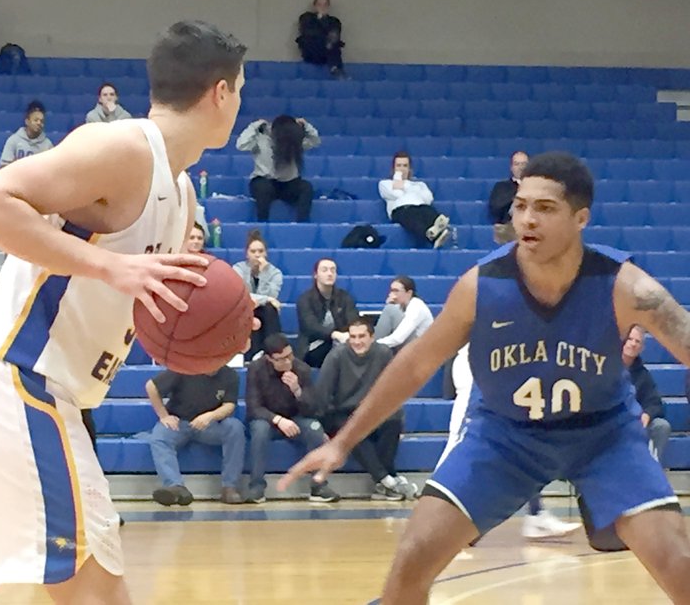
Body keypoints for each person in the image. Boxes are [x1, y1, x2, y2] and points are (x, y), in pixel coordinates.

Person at [0, 20, 247, 605]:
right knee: (96, 589)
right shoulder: (124, 148)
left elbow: (149, 310)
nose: (239, 101)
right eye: (240, 89)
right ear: (221, 92)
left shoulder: (183, 196)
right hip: (17, 380)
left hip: (4, 384)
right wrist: (107, 268)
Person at [281, 151, 690, 604]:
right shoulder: (482, 285)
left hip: (604, 436)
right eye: (520, 205)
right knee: (413, 555)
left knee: (679, 563)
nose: (527, 219)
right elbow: (417, 364)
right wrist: (342, 442)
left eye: (545, 208)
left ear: (581, 218)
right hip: (504, 436)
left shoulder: (628, 287)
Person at [434, 344, 581, 539]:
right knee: (460, 441)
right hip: (479, 365)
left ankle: (536, 514)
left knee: (524, 440)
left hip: (504, 366)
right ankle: (438, 522)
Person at [318, 318, 418, 500]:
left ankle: (384, 482)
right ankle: (388, 479)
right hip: (344, 412)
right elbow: (324, 393)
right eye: (353, 337)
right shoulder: (336, 356)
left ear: (372, 337)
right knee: (351, 428)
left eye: (361, 336)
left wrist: (400, 421)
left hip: (374, 410)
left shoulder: (384, 353)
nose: (357, 341)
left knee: (393, 419)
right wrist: (323, 428)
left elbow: (394, 389)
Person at [246, 333, 340, 503]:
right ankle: (257, 486)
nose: (287, 362)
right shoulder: (256, 369)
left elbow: (313, 409)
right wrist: (278, 420)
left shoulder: (301, 368)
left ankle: (318, 485)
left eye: (289, 356)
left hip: (295, 419)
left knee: (314, 428)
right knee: (259, 430)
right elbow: (254, 408)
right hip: (268, 420)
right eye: (281, 359)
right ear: (269, 359)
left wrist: (297, 390)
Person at [143, 367, 245, 506]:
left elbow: (229, 405)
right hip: (179, 422)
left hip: (210, 425)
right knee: (159, 438)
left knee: (235, 428)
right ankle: (175, 487)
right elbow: (151, 386)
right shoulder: (184, 368)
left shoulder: (230, 375)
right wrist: (164, 415)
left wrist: (210, 416)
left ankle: (229, 487)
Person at [236, 115, 320, 222]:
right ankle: (262, 222)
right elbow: (241, 145)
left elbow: (315, 141)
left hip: (289, 184)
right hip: (264, 180)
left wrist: (306, 125)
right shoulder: (260, 139)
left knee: (306, 187)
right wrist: (254, 126)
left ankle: (302, 222)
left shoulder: (294, 141)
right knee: (263, 187)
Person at [622, 324, 672, 467]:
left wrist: (647, 414)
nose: (633, 344)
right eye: (630, 339)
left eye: (637, 341)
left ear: (642, 348)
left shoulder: (643, 375)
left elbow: (655, 403)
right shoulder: (606, 369)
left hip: (637, 424)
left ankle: (652, 469)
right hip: (612, 423)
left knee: (661, 426)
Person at [379, 152, 451, 249]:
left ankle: (438, 228)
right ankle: (433, 236)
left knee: (428, 211)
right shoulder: (385, 183)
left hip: (421, 206)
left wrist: (403, 186)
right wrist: (413, 191)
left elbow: (428, 198)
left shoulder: (420, 184)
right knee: (412, 218)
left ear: (409, 169)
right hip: (401, 209)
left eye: (405, 166)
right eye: (398, 165)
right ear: (393, 168)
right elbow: (396, 194)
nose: (402, 169)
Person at [296, 257, 359, 368]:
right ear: (316, 275)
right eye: (325, 270)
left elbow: (353, 320)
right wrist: (334, 335)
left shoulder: (344, 297)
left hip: (342, 343)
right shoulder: (305, 299)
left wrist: (346, 335)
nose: (329, 274)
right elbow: (310, 326)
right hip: (313, 346)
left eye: (333, 270)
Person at [233, 230, 283, 360]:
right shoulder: (238, 269)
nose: (257, 255)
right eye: (253, 251)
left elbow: (272, 296)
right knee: (251, 308)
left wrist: (264, 274)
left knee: (269, 309)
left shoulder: (275, 273)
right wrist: (267, 299)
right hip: (244, 309)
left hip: (265, 312)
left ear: (266, 253)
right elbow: (242, 296)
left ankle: (273, 352)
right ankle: (250, 355)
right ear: (247, 254)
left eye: (260, 251)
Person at [374, 276, 434, 351]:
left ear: (409, 293)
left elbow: (398, 338)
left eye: (396, 291)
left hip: (420, 350)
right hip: (410, 347)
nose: (392, 294)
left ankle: (371, 347)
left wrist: (372, 345)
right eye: (391, 291)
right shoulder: (400, 306)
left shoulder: (416, 306)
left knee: (389, 309)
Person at [296, 0, 346, 78]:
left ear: (328, 6)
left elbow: (335, 34)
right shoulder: (306, 18)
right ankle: (335, 67)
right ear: (315, 6)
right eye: (319, 4)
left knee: (333, 41)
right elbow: (307, 32)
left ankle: (335, 69)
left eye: (325, 5)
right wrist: (321, 20)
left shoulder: (334, 21)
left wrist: (324, 20)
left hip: (328, 52)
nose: (322, 7)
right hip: (312, 51)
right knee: (318, 39)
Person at [0, 101, 54, 168]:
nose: (39, 123)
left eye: (41, 121)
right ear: (27, 121)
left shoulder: (48, 145)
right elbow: (3, 167)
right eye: (36, 120)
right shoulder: (14, 140)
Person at [489, 151, 529, 245]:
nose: (521, 167)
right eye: (517, 164)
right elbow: (495, 209)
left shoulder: (537, 187)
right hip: (507, 228)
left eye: (524, 164)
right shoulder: (501, 187)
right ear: (511, 168)